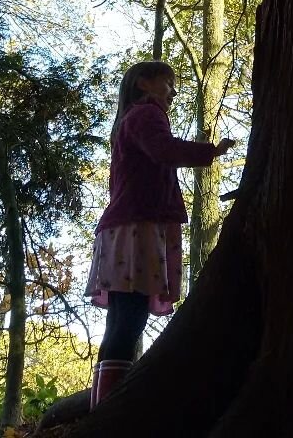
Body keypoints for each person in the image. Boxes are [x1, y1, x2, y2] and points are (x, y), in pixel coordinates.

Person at [85, 59, 234, 407]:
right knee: (130, 317)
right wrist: (211, 151)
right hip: (137, 228)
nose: (173, 91)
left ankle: (101, 408)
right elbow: (164, 150)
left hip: (124, 229)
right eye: (167, 83)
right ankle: (111, 413)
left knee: (121, 320)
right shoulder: (146, 115)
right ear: (143, 84)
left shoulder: (129, 120)